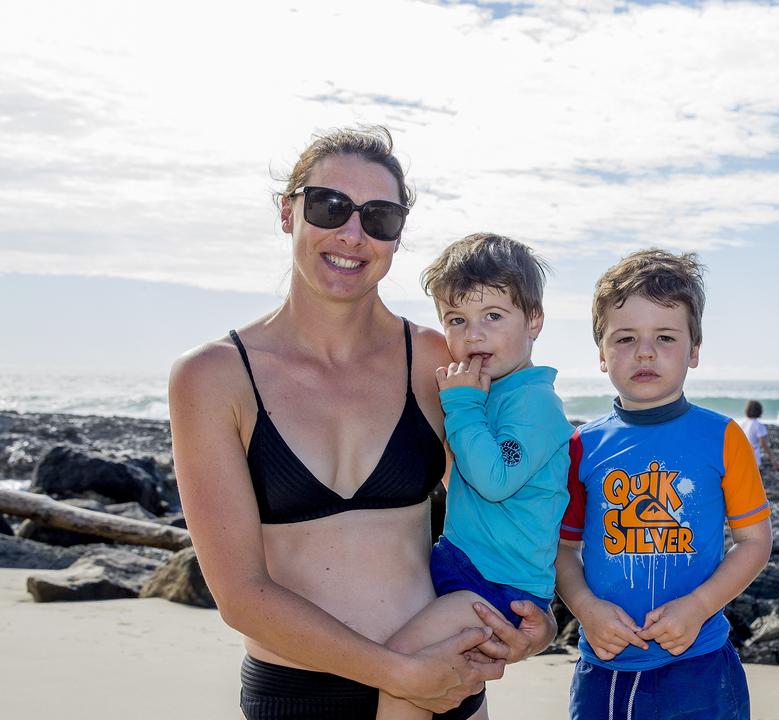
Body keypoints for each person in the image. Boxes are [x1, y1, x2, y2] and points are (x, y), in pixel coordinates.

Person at [168, 126, 556, 720]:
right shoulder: (214, 377)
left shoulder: (437, 362)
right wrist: (399, 675)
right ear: (287, 211)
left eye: (379, 217)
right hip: (303, 693)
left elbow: (523, 498)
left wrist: (539, 616)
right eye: (329, 206)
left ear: (397, 235)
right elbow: (241, 594)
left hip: (446, 680)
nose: (353, 234)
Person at [556, 249, 773, 720]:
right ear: (601, 353)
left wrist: (698, 606)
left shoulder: (723, 437)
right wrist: (586, 609)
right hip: (605, 668)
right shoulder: (580, 446)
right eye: (626, 338)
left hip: (700, 667)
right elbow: (563, 550)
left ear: (694, 350)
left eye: (666, 337)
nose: (646, 352)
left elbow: (755, 542)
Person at [376, 233, 575, 719]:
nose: (474, 335)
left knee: (399, 671)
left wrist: (461, 404)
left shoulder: (536, 403)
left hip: (496, 587)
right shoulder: (492, 389)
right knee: (440, 694)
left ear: (535, 320)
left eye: (493, 316)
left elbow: (494, 479)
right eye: (456, 320)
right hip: (464, 567)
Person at [740, 400, 775, 471]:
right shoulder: (758, 425)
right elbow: (763, 444)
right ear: (759, 411)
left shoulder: (742, 424)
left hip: (742, 455)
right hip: (754, 456)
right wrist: (772, 458)